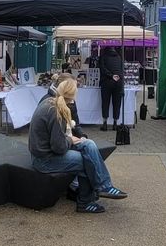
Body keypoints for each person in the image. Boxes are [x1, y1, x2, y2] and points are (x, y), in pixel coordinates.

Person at [29, 79, 127, 214]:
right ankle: (85, 202)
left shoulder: (52, 103)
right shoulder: (55, 110)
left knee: (89, 144)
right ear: (73, 96)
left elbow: (56, 140)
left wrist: (70, 139)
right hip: (44, 160)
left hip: (47, 152)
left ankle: (104, 186)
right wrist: (70, 140)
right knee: (85, 161)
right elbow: (59, 147)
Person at [98, 46, 125, 131]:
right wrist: (116, 76)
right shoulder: (119, 57)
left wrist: (111, 75)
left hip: (107, 82)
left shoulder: (104, 57)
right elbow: (122, 70)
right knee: (117, 103)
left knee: (105, 102)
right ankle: (115, 123)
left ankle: (105, 123)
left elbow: (102, 69)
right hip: (118, 82)